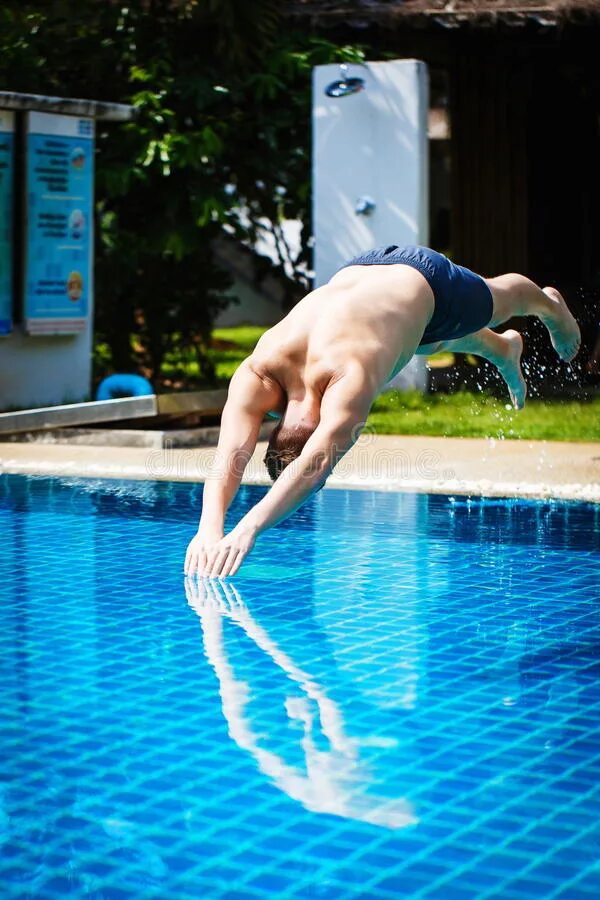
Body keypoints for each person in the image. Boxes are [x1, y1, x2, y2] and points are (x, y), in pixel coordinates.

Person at [185, 244, 580, 579]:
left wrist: (247, 529)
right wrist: (209, 527)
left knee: (496, 302)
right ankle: (502, 349)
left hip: (426, 278)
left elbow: (312, 465)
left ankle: (549, 305)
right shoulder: (259, 373)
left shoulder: (348, 381)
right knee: (420, 339)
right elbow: (229, 456)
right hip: (362, 270)